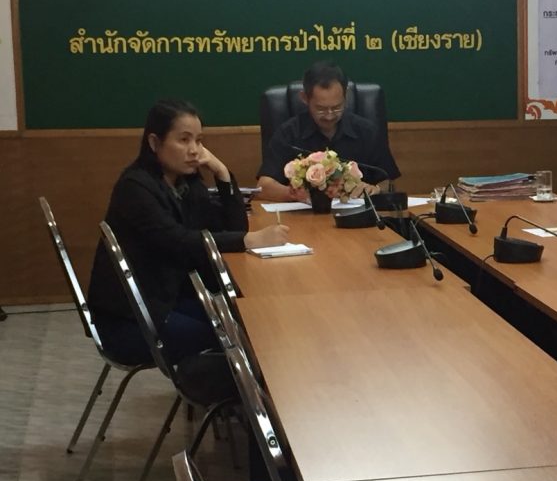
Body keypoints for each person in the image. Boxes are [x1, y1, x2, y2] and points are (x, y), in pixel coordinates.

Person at [88, 99, 289, 368]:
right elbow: (178, 241)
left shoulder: (184, 183)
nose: (195, 150)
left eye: (199, 140)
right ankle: (223, 390)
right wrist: (248, 240)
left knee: (250, 320)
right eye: (184, 140)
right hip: (133, 319)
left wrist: (222, 173)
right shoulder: (135, 187)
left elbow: (231, 229)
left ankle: (228, 390)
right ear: (154, 142)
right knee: (243, 334)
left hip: (167, 299)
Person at [257, 61, 400, 202]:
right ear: (304, 98)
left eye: (337, 107)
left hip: (357, 213)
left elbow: (388, 181)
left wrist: (375, 189)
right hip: (303, 214)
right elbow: (264, 186)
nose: (329, 115)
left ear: (346, 95)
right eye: (321, 109)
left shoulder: (367, 132)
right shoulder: (288, 134)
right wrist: (295, 194)